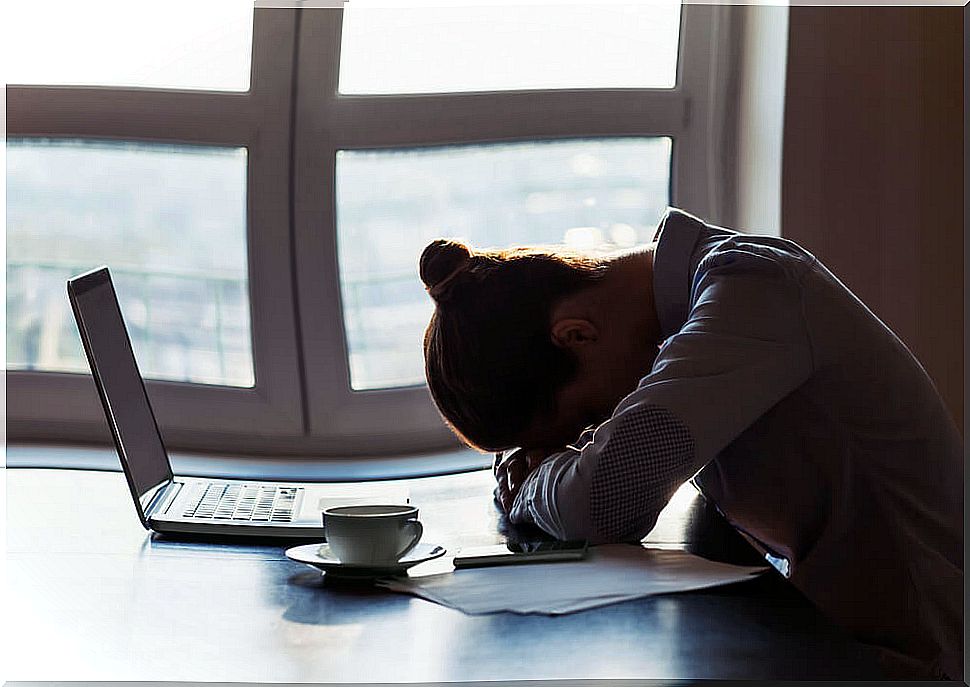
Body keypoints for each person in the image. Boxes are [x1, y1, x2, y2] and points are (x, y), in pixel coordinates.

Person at [419, 207, 963, 681]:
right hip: (835, 630)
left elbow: (603, 500)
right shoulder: (700, 309)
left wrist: (530, 485)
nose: (601, 427)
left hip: (919, 655)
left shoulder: (751, 294)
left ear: (577, 335)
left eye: (587, 416)